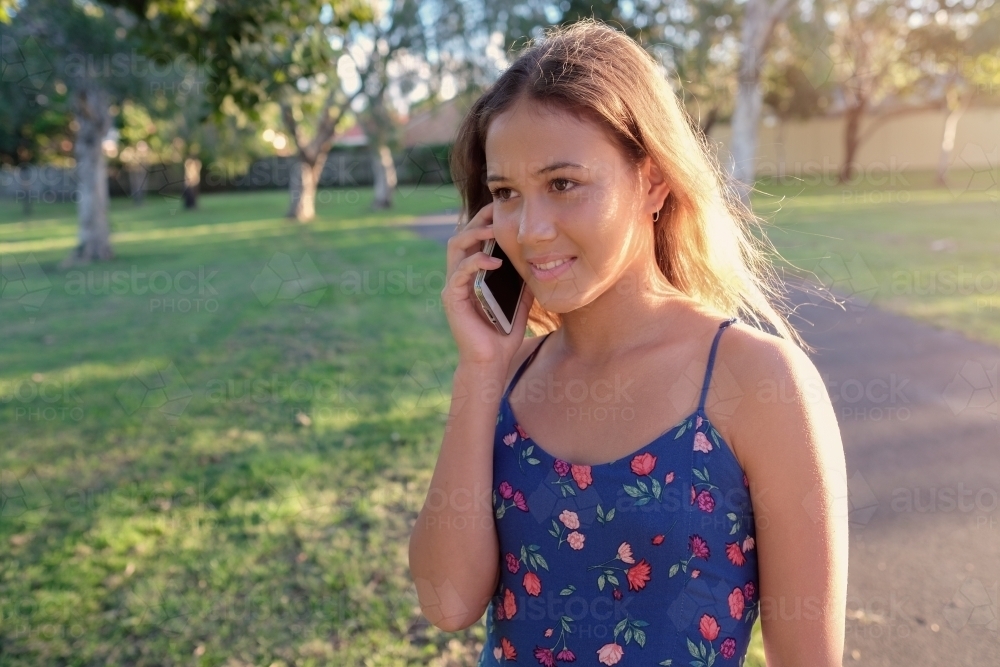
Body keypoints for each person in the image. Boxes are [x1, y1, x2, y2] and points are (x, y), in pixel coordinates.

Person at [408, 19, 848, 667]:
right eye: (506, 193)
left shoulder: (758, 381)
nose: (529, 230)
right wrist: (478, 371)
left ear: (652, 182)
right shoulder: (508, 376)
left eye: (563, 184)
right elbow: (446, 602)